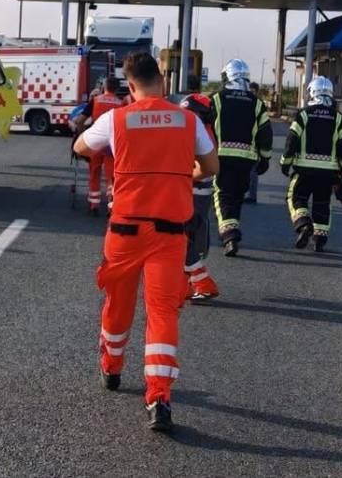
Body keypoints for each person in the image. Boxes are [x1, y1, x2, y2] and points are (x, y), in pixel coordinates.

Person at [74, 53, 219, 433]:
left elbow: (81, 148)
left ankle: (111, 367)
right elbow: (211, 166)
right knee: (162, 313)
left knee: (118, 303)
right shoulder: (188, 120)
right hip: (169, 235)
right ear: (163, 82)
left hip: (125, 232)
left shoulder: (117, 118)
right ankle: (159, 398)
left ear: (130, 85)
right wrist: (184, 175)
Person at [280, 76, 342, 252]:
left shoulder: (303, 115)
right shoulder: (338, 118)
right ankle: (319, 239)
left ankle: (304, 224)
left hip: (303, 170)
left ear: (311, 93)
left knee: (296, 197)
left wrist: (285, 163)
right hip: (328, 172)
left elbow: (291, 141)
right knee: (322, 203)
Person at [211, 59, 273, 256]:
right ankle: (232, 229)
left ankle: (229, 235)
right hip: (247, 159)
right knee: (238, 196)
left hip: (222, 156)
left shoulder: (217, 99)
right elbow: (265, 133)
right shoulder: (257, 103)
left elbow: (205, 128)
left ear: (227, 77)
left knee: (222, 194)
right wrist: (265, 158)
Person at [178, 75, 222, 301]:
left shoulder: (200, 133)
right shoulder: (205, 131)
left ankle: (202, 281)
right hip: (199, 191)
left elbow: (201, 168)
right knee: (189, 235)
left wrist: (182, 177)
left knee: (180, 235)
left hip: (193, 190)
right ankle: (184, 286)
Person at [73, 77, 126, 215]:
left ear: (103, 87)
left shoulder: (96, 100)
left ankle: (94, 205)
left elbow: (80, 121)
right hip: (111, 146)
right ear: (117, 89)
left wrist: (82, 136)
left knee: (94, 173)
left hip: (96, 143)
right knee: (112, 177)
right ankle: (111, 207)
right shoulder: (121, 104)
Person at [245, 82, 262, 204]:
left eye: (253, 91)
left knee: (253, 171)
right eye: (250, 91)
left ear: (257, 92)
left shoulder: (259, 106)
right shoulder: (245, 103)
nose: (251, 93)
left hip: (255, 142)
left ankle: (252, 195)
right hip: (244, 142)